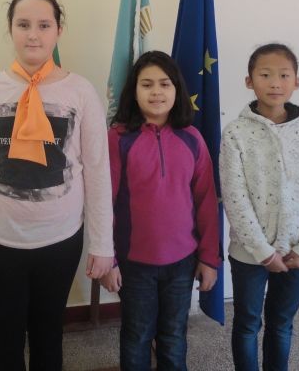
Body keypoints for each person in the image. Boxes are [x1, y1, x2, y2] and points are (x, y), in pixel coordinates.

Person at [0, 0, 113, 371]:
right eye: (23, 24)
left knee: (48, 336)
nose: (33, 35)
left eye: (44, 25)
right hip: (2, 240)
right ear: (10, 29)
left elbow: (97, 171)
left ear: (58, 30)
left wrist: (102, 243)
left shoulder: (80, 92)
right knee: (3, 338)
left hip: (61, 240)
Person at [100, 50, 221, 371]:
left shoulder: (192, 139)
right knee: (137, 335)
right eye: (147, 84)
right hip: (134, 263)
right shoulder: (117, 139)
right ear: (134, 91)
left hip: (182, 263)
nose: (156, 92)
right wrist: (108, 259)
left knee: (173, 335)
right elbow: (104, 203)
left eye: (165, 84)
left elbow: (207, 201)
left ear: (177, 90)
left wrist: (209, 258)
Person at [219, 43, 299, 371]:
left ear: (296, 82)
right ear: (249, 81)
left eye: (284, 75)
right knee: (247, 323)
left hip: (296, 253)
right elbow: (235, 197)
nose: (275, 83)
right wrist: (263, 252)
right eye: (265, 75)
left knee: (281, 324)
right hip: (249, 253)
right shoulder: (235, 133)